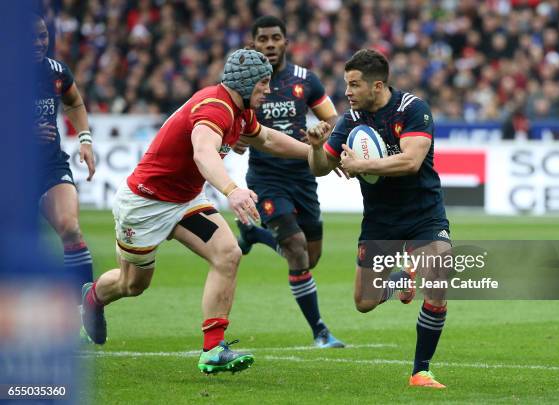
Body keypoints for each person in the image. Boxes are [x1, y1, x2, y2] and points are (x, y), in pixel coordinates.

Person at [80, 49, 321, 374]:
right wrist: (232, 190)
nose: (268, 89)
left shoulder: (240, 111)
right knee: (132, 285)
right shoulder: (215, 107)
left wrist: (316, 154)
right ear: (247, 83)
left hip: (184, 202)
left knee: (228, 253)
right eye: (263, 83)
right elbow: (204, 154)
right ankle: (92, 299)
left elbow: (266, 138)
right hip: (145, 204)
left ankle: (212, 349)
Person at [307, 49, 451, 388]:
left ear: (378, 85)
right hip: (380, 219)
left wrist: (361, 166)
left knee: (439, 274)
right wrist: (316, 147)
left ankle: (420, 371)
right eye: (347, 84)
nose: (348, 92)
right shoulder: (349, 121)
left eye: (355, 85)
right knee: (364, 302)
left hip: (423, 212)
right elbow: (322, 168)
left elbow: (411, 161)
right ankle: (403, 281)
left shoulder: (412, 109)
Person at [234, 15, 344, 348]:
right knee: (296, 251)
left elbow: (333, 118)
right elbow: (235, 131)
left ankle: (255, 234)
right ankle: (320, 331)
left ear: (286, 42)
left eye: (275, 38)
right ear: (253, 44)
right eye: (263, 39)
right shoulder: (246, 84)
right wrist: (237, 138)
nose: (269, 44)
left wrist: (326, 137)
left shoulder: (305, 80)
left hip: (304, 174)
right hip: (267, 178)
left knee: (311, 258)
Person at [34, 15, 96, 300]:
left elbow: (74, 102)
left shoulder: (56, 72)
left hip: (50, 166)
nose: (38, 43)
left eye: (43, 36)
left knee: (70, 229)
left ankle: (86, 308)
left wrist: (85, 139)